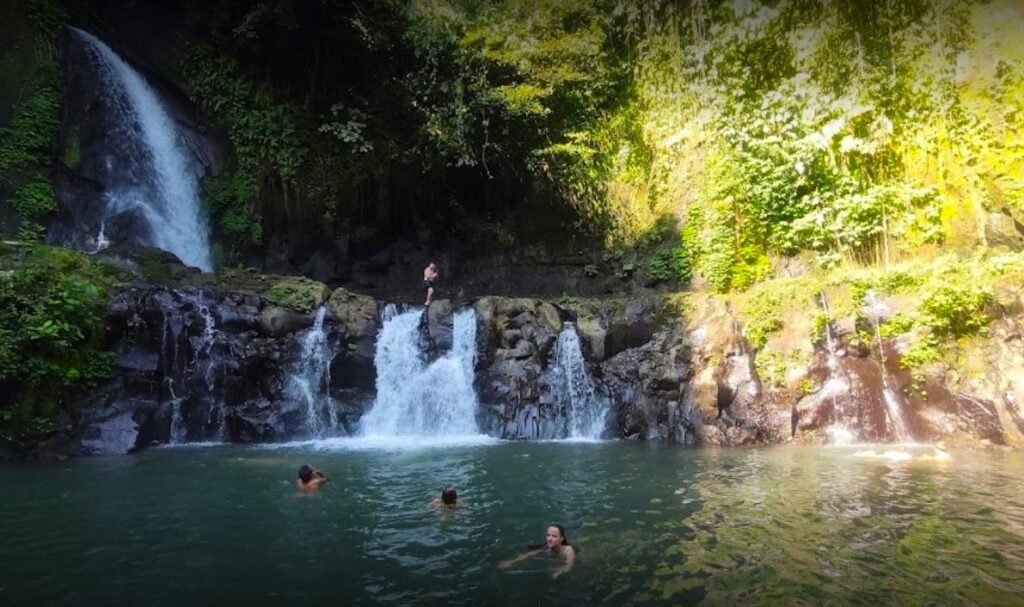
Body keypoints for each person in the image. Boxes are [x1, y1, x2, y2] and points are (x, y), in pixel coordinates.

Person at [499, 524, 576, 578]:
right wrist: (511, 562)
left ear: (561, 539)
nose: (549, 539)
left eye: (554, 536)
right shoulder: (546, 547)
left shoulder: (568, 550)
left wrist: (559, 572)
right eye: (548, 535)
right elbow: (528, 555)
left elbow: (569, 566)